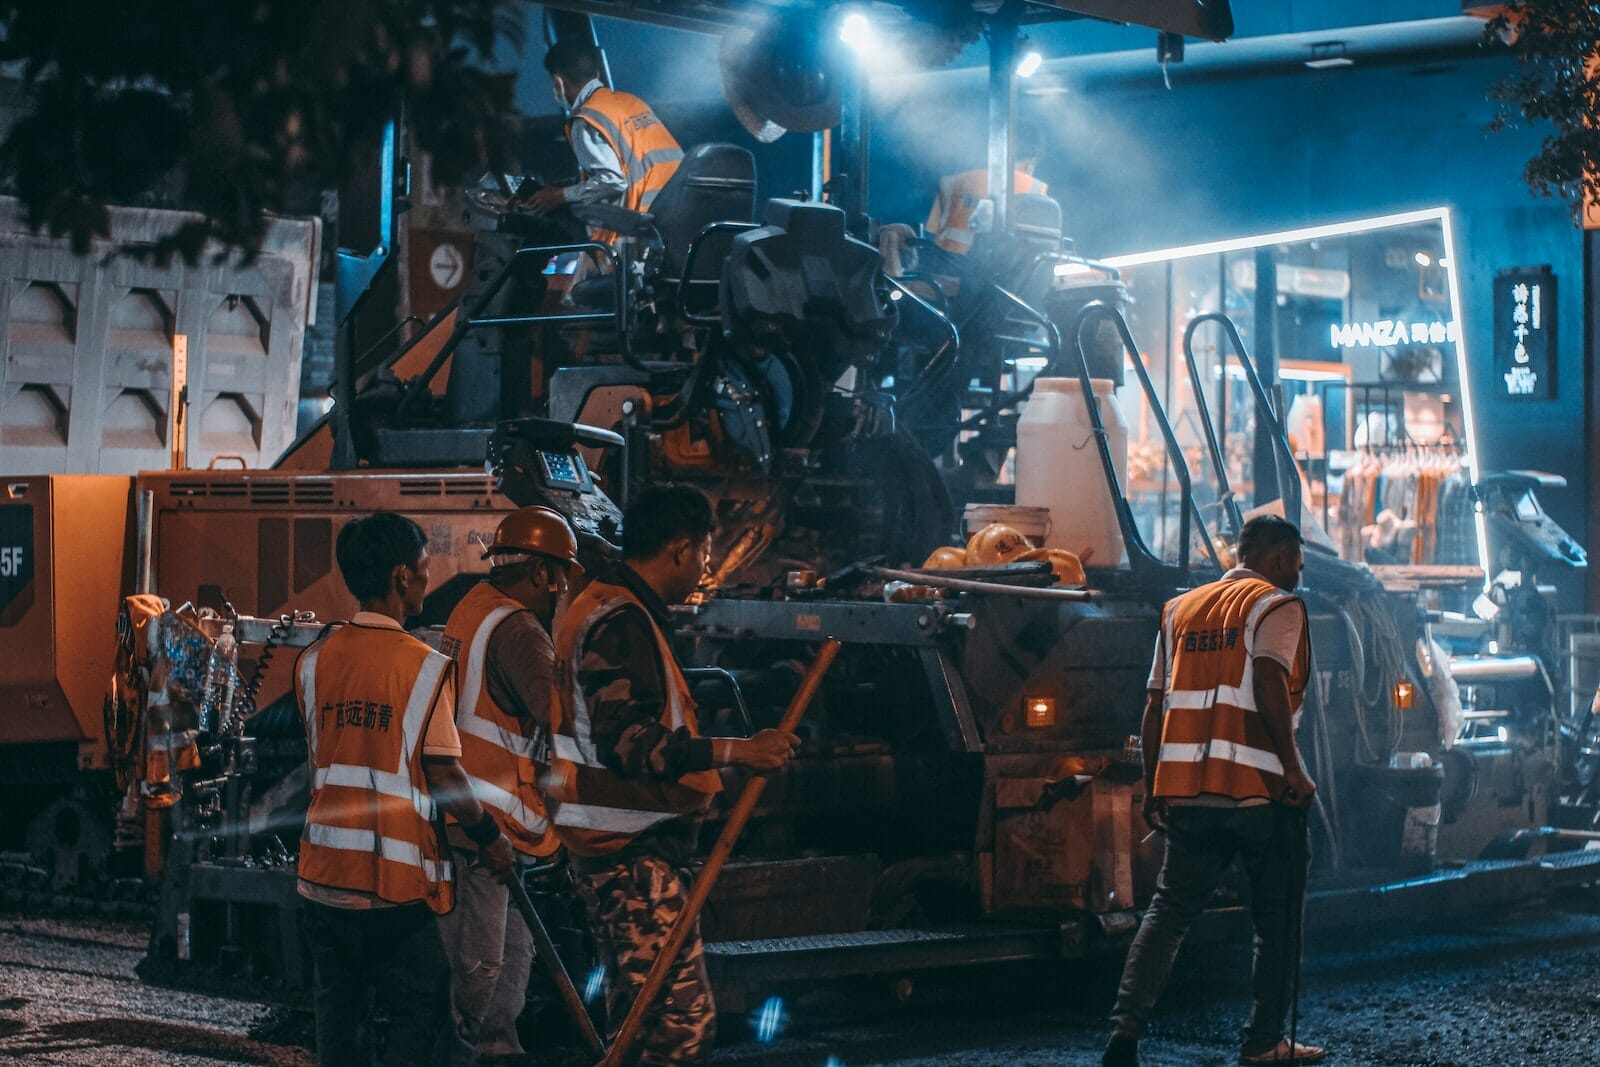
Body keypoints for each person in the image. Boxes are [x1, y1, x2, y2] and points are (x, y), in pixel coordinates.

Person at [544, 484, 799, 1064]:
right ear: (681, 549)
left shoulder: (601, 605)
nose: (707, 565)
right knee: (681, 1028)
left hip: (612, 843)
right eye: (707, 551)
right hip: (631, 853)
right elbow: (630, 743)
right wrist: (740, 752)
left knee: (635, 1026)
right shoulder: (620, 621)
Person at [1103, 515, 1325, 1067]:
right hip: (1257, 793)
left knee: (1168, 914)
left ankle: (1124, 1035)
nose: (1300, 574)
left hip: (1188, 795)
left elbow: (1155, 703)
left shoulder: (1180, 610)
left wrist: (1155, 783)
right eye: (1297, 562)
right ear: (1277, 558)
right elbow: (1269, 680)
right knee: (1276, 921)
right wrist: (1294, 771)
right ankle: (1263, 1042)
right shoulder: (1277, 606)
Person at [295, 511, 513, 1067]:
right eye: (423, 566)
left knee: (339, 1024)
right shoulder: (421, 667)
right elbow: (444, 775)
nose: (427, 576)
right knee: (422, 1017)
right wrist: (489, 837)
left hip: (321, 878)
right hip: (389, 885)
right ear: (400, 578)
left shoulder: (314, 661)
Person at [438, 506, 583, 1063]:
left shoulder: (473, 607)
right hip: (487, 826)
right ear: (542, 572)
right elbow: (561, 717)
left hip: (480, 815)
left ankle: (498, 1049)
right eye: (562, 574)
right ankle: (466, 1051)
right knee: (480, 970)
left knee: (507, 973)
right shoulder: (520, 629)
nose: (563, 587)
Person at [528, 37, 683, 246]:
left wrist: (559, 197)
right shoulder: (631, 102)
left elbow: (612, 180)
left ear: (558, 83)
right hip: (679, 209)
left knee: (579, 270)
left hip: (643, 228)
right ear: (597, 73)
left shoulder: (585, 121)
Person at [924, 124, 1049, 256]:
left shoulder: (952, 182)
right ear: (1032, 162)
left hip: (947, 266)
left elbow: (931, 232)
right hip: (1006, 272)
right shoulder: (1037, 190)